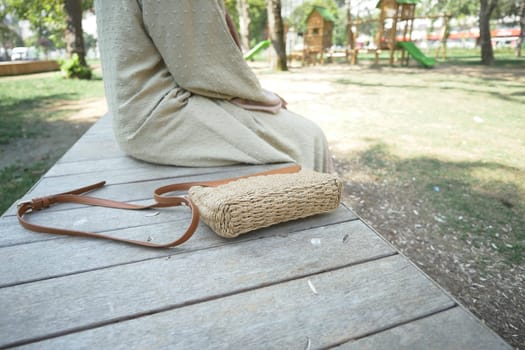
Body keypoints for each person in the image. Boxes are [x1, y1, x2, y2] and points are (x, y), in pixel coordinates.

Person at [95, 0, 332, 172]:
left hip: (134, 113)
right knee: (308, 138)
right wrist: (260, 97)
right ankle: (322, 233)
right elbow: (200, 69)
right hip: (161, 115)